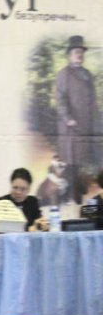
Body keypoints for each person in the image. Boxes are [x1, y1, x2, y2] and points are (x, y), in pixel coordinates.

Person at [55, 35, 99, 202]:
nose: (79, 55)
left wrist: (95, 119)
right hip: (70, 126)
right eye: (76, 52)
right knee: (70, 159)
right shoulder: (63, 74)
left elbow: (93, 100)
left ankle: (76, 187)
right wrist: (68, 118)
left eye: (81, 52)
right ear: (69, 55)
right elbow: (60, 99)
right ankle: (70, 192)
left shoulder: (87, 75)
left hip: (86, 124)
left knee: (80, 158)